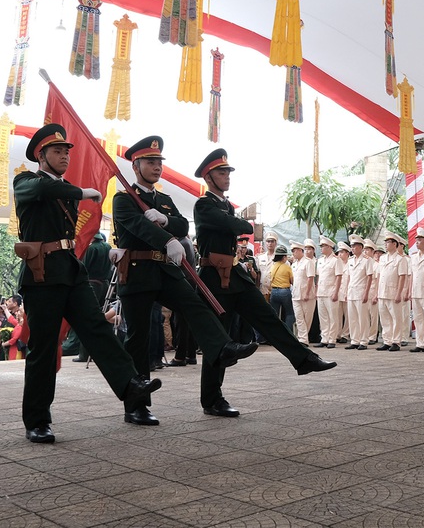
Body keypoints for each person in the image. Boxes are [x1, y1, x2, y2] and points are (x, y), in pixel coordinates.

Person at [12, 123, 161, 443]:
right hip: (41, 275)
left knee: (96, 327)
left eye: (67, 151)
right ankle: (37, 419)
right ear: (40, 155)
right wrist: (80, 191)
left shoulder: (63, 188)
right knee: (44, 347)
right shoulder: (26, 180)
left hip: (70, 270)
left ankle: (129, 384)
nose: (64, 156)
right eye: (57, 151)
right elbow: (41, 191)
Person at [111, 135, 257, 424]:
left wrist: (166, 221)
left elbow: (180, 223)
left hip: (165, 271)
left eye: (159, 162)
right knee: (138, 338)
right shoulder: (123, 198)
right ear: (136, 166)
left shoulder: (163, 200)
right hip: (137, 269)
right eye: (150, 162)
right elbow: (138, 226)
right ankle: (137, 405)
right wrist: (166, 238)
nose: (157, 167)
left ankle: (222, 347)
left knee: (195, 305)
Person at [193, 148, 336, 416]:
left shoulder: (226, 206)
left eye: (227, 172)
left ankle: (304, 359)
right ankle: (212, 399)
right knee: (220, 343)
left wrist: (238, 222)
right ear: (209, 177)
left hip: (236, 273)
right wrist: (239, 223)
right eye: (221, 173)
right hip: (214, 277)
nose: (227, 177)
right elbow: (241, 227)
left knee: (269, 318)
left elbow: (241, 227)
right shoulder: (204, 205)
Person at [72, 231, 115, 363]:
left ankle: (84, 354)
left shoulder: (92, 248)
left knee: (87, 319)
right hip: (106, 286)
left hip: (93, 285)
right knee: (104, 319)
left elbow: (84, 268)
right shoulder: (107, 247)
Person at [375, 232, 411, 351]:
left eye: (388, 242)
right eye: (385, 242)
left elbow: (402, 277)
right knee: (385, 318)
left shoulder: (401, 260)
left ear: (395, 244)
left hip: (393, 292)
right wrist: (377, 292)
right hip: (382, 292)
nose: (385, 244)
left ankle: (396, 341)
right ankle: (387, 340)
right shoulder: (382, 258)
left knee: (396, 318)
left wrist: (399, 293)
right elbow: (379, 276)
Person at [343, 237, 374, 350]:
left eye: (355, 246)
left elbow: (369, 277)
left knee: (363, 318)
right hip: (352, 291)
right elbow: (349, 277)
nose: (352, 248)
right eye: (351, 246)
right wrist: (346, 291)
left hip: (361, 292)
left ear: (361, 247)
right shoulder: (350, 260)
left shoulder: (367, 260)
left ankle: (364, 341)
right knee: (353, 318)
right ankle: (355, 340)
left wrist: (367, 293)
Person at [314, 236, 345, 348]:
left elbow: (338, 277)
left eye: (323, 246)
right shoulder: (320, 260)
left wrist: (336, 292)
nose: (321, 248)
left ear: (329, 247)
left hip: (331, 291)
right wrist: (317, 289)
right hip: (321, 292)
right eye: (321, 246)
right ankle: (324, 338)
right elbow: (319, 277)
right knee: (323, 317)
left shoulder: (336, 260)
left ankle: (332, 339)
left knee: (333, 316)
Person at [291, 242, 316, 345]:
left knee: (307, 318)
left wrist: (307, 292)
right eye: (292, 251)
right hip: (296, 294)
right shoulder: (294, 264)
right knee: (299, 317)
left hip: (307, 295)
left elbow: (310, 278)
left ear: (300, 250)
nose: (293, 253)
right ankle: (303, 339)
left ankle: (304, 338)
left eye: (294, 250)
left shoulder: (308, 262)